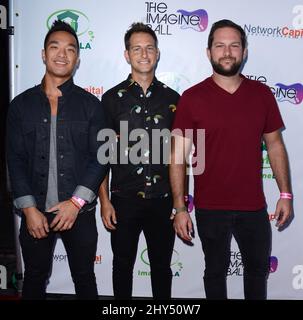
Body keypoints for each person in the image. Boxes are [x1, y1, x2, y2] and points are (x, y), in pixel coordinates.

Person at [169, 19, 293, 300]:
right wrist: (180, 207)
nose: (227, 52)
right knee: (214, 273)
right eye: (220, 45)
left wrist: (285, 193)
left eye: (234, 45)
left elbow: (275, 145)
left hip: (253, 207)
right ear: (208, 52)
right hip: (211, 207)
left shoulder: (261, 95)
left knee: (257, 273)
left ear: (244, 51)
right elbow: (178, 156)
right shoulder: (192, 98)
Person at [6, 20, 108, 300]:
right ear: (43, 54)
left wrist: (76, 203)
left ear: (77, 58)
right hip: (35, 212)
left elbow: (101, 157)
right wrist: (29, 210)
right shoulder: (20, 105)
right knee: (35, 280)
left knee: (85, 278)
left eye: (70, 49)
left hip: (79, 213)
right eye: (55, 47)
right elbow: (13, 160)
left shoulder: (92, 106)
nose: (62, 54)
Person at [99, 22, 180, 299]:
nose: (143, 54)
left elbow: (179, 157)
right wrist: (105, 201)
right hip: (123, 199)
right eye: (137, 48)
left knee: (161, 267)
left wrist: (180, 203)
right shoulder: (110, 100)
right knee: (122, 266)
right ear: (126, 54)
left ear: (157, 53)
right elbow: (102, 157)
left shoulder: (174, 99)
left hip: (163, 200)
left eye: (149, 48)